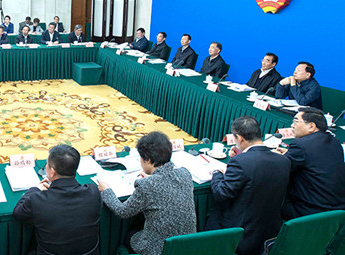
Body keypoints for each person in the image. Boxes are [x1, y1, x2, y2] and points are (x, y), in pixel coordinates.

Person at [98, 132, 196, 255]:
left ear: (148, 160)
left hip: (159, 249)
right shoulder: (185, 173)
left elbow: (122, 211)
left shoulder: (147, 185)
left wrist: (106, 190)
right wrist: (151, 178)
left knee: (130, 233)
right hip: (187, 244)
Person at [207, 116, 290, 255]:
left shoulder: (240, 162)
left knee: (212, 217)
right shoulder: (283, 160)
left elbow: (221, 194)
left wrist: (217, 174)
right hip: (270, 230)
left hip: (242, 231)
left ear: (239, 138)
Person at [13, 145, 101, 255]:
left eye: (47, 165)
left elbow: (18, 213)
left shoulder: (37, 200)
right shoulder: (93, 192)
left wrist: (35, 189)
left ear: (52, 172)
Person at [278, 107, 345, 219]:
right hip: (337, 210)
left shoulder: (300, 145)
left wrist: (276, 157)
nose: (292, 126)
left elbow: (280, 168)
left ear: (311, 126)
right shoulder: (334, 141)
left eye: (296, 121)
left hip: (309, 211)